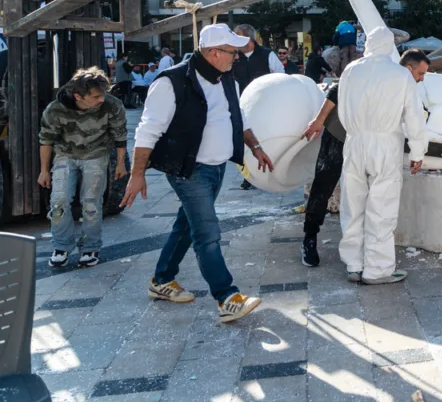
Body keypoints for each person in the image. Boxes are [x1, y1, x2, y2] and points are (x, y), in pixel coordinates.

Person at [122, 24, 275, 323]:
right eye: (233, 52)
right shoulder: (171, 82)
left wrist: (255, 147)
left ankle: (162, 279)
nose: (238, 58)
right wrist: (136, 173)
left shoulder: (227, 79)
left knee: (186, 225)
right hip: (187, 169)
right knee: (207, 233)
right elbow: (147, 130)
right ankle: (227, 297)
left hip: (217, 167)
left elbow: (237, 117)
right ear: (214, 52)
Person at [335, 26, 427, 285]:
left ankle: (354, 264)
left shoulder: (350, 71)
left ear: (368, 45)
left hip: (354, 141)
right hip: (385, 144)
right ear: (389, 46)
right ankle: (377, 269)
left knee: (352, 206)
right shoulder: (400, 75)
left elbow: (342, 110)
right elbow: (414, 117)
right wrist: (418, 151)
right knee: (381, 207)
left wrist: (356, 131)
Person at [38, 67, 128, 268]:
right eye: (95, 96)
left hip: (96, 154)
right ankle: (61, 246)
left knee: (91, 203)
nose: (101, 100)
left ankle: (90, 247)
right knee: (58, 202)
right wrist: (44, 170)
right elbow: (46, 140)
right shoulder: (55, 110)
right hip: (65, 155)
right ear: (78, 96)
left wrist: (120, 163)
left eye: (103, 95)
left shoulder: (112, 106)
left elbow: (120, 136)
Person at [298, 43, 361, 267]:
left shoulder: (400, 78)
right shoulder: (362, 68)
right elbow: (336, 90)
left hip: (364, 139)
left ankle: (361, 241)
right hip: (338, 132)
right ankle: (309, 237)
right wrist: (318, 121)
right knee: (323, 184)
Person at [231, 24, 284, 189]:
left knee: (265, 139)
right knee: (245, 141)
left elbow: (280, 75)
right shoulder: (233, 57)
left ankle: (271, 170)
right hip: (241, 107)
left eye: (237, 36)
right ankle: (249, 176)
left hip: (265, 107)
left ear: (248, 38)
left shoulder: (267, 55)